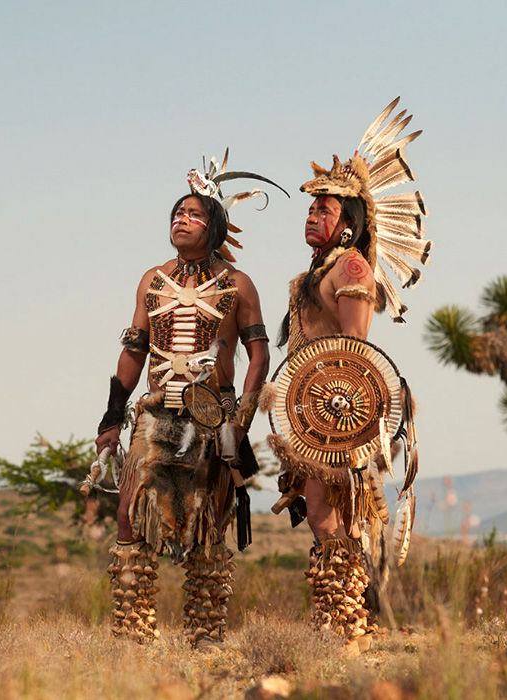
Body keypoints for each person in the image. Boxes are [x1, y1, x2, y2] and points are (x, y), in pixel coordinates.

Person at [93, 153, 285, 648]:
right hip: (155, 415)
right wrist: (113, 418)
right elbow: (133, 351)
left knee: (208, 520)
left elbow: (258, 355)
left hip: (212, 415)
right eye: (176, 213)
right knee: (131, 514)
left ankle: (204, 634)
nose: (181, 220)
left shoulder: (238, 286)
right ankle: (132, 633)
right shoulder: (151, 281)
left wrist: (239, 419)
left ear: (215, 227)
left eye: (193, 214)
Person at [265, 98, 429, 646]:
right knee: (321, 513)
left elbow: (355, 349)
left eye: (324, 210)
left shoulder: (352, 267)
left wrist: (338, 416)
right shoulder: (317, 273)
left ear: (347, 225)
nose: (311, 216)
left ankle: (348, 620)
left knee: (332, 513)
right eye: (310, 210)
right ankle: (343, 616)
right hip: (314, 410)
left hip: (342, 409)